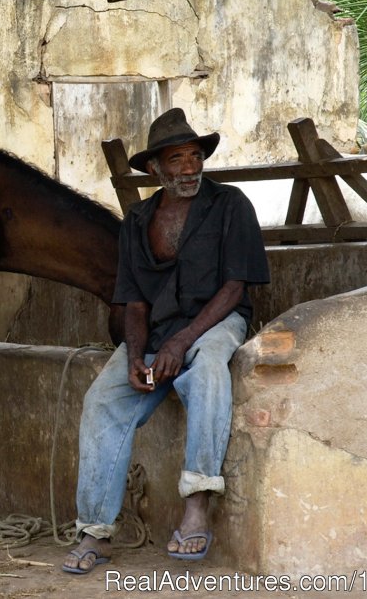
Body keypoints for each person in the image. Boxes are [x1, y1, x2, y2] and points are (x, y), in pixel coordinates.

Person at [62, 107, 270, 574]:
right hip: (155, 334)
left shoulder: (230, 205)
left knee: (210, 373)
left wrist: (183, 342)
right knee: (102, 401)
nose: (189, 168)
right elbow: (134, 301)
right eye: (176, 159)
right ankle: (94, 531)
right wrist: (136, 354)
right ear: (155, 168)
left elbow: (236, 287)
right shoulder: (137, 220)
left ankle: (197, 503)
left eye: (195, 156)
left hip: (216, 323)